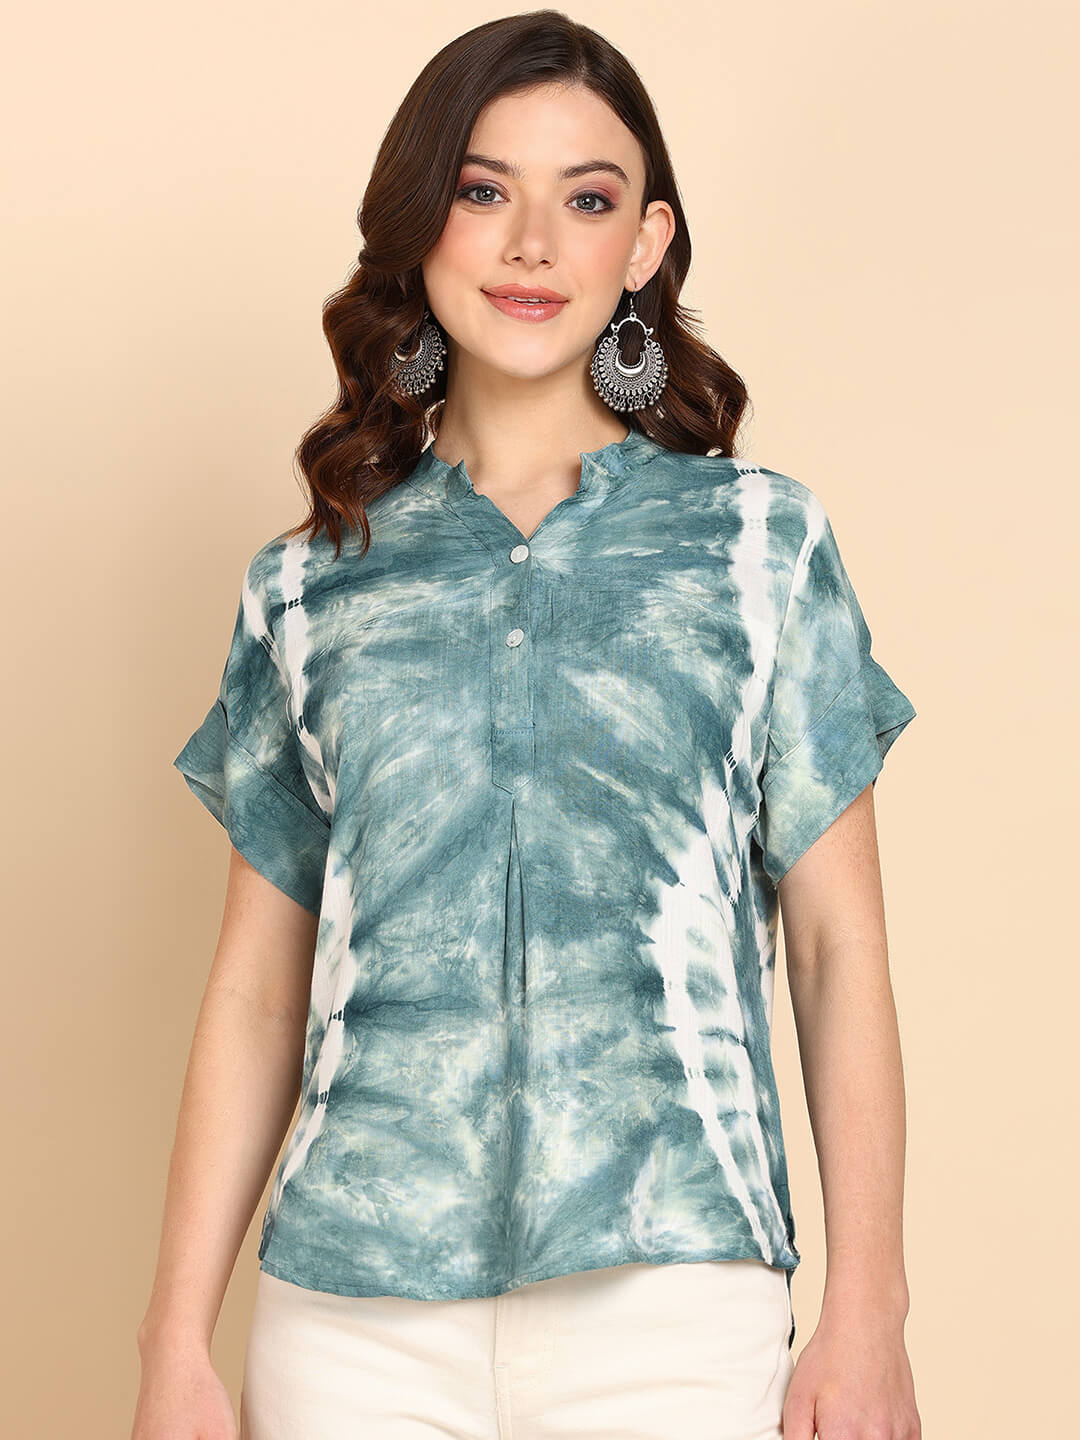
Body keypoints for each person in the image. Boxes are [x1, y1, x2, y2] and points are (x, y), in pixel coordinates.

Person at [133, 12, 922, 1440]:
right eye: (484, 190)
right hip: (353, 1321)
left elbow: (836, 946)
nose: (533, 244)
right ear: (419, 222)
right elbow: (257, 988)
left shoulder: (759, 549)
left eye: (589, 200)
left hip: (674, 1302)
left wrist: (869, 1308)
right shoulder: (307, 586)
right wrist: (175, 1337)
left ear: (648, 243)